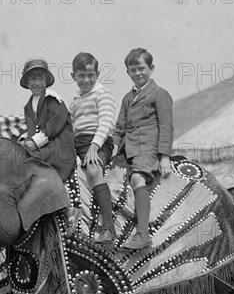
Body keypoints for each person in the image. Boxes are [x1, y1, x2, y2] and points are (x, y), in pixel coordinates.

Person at [113, 48, 174, 250]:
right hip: (126, 149)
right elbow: (119, 128)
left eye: (141, 68)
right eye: (133, 70)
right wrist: (114, 146)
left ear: (151, 68)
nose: (138, 73)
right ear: (128, 72)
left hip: (148, 147)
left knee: (137, 178)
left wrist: (164, 157)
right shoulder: (126, 98)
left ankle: (143, 234)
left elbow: (166, 125)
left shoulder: (160, 94)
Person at [19, 57, 80, 235]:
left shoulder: (53, 99)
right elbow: (32, 129)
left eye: (40, 78)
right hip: (44, 143)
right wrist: (26, 140)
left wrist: (35, 142)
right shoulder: (29, 105)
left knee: (37, 161)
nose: (37, 83)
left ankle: (70, 208)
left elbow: (55, 125)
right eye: (33, 79)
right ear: (27, 82)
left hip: (60, 143)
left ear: (46, 81)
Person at [69, 52, 117, 244]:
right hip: (78, 144)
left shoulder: (102, 94)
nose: (86, 80)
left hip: (99, 140)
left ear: (97, 74)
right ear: (74, 76)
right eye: (81, 76)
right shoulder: (75, 101)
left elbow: (106, 122)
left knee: (94, 170)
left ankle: (108, 227)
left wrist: (94, 147)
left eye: (91, 75)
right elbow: (71, 129)